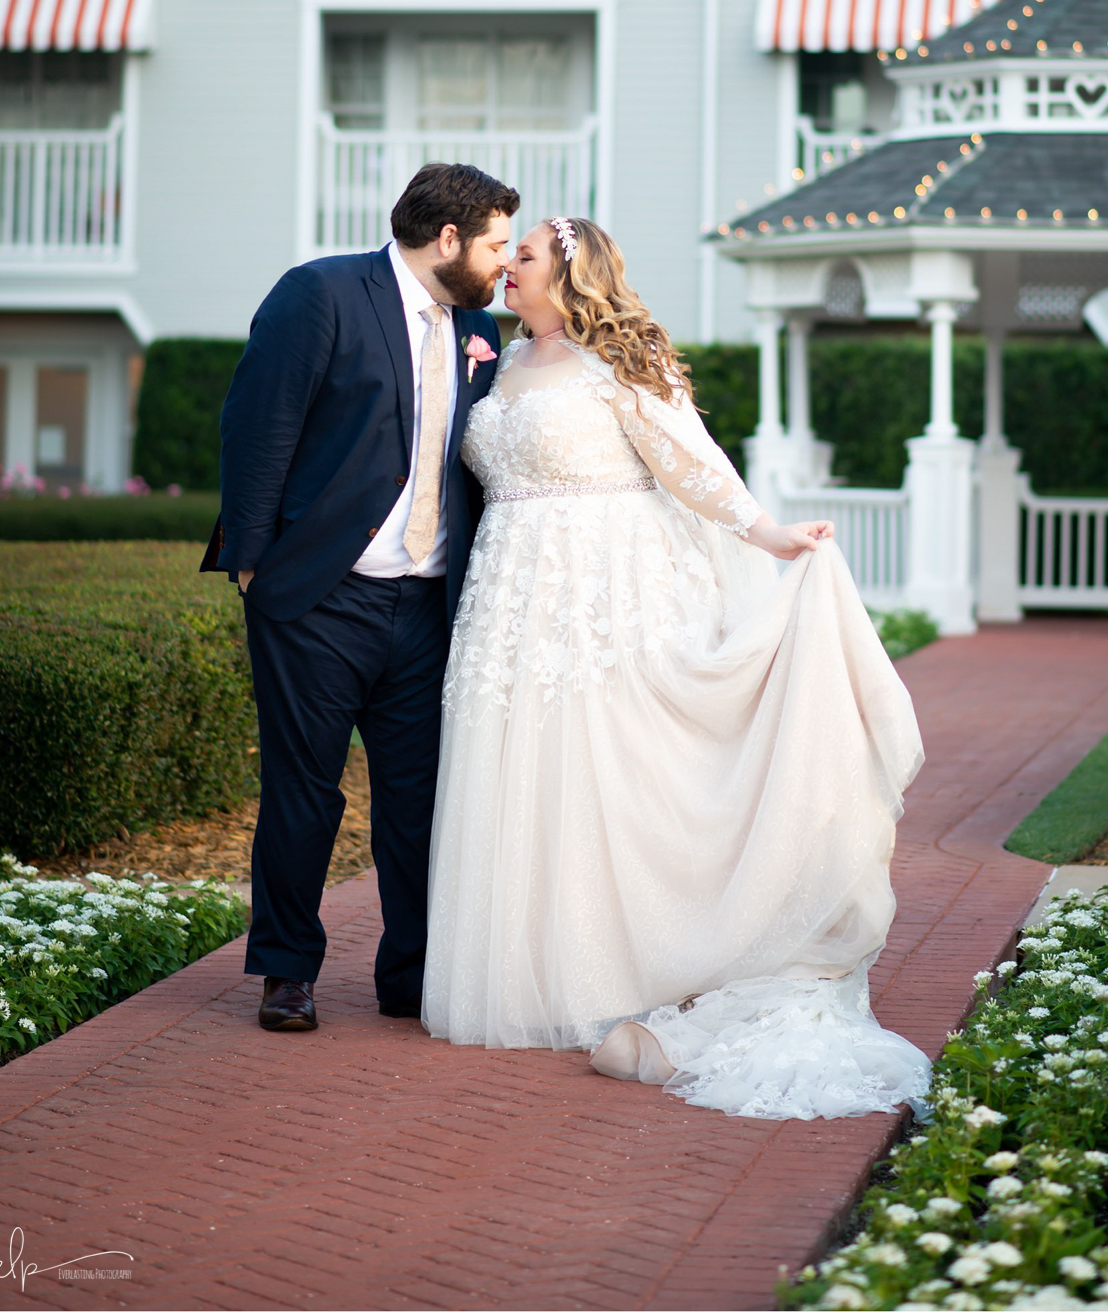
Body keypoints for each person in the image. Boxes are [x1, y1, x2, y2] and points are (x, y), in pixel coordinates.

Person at [421, 214, 931, 1120]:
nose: (509, 269)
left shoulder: (620, 361)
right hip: (507, 596)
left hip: (601, 593)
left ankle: (645, 962)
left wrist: (769, 535)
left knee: (608, 779)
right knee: (525, 778)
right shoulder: (492, 363)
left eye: (525, 255)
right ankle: (534, 983)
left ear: (569, 272)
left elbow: (693, 464)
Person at [202, 162, 516, 1031]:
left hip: (427, 606)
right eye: (493, 244)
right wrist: (252, 561)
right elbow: (255, 425)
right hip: (318, 598)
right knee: (304, 791)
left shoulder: (478, 329)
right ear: (446, 239)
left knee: (418, 803)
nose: (501, 262)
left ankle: (409, 977)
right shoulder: (322, 293)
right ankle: (286, 972)